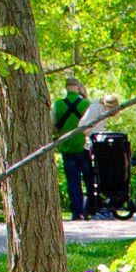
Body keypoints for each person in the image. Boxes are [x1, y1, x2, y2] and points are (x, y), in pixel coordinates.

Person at [54, 84, 92, 220]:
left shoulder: (58, 105)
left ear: (66, 88)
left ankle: (76, 212)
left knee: (73, 181)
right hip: (84, 147)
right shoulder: (86, 104)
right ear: (78, 87)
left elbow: (53, 126)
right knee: (89, 180)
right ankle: (90, 209)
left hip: (67, 147)